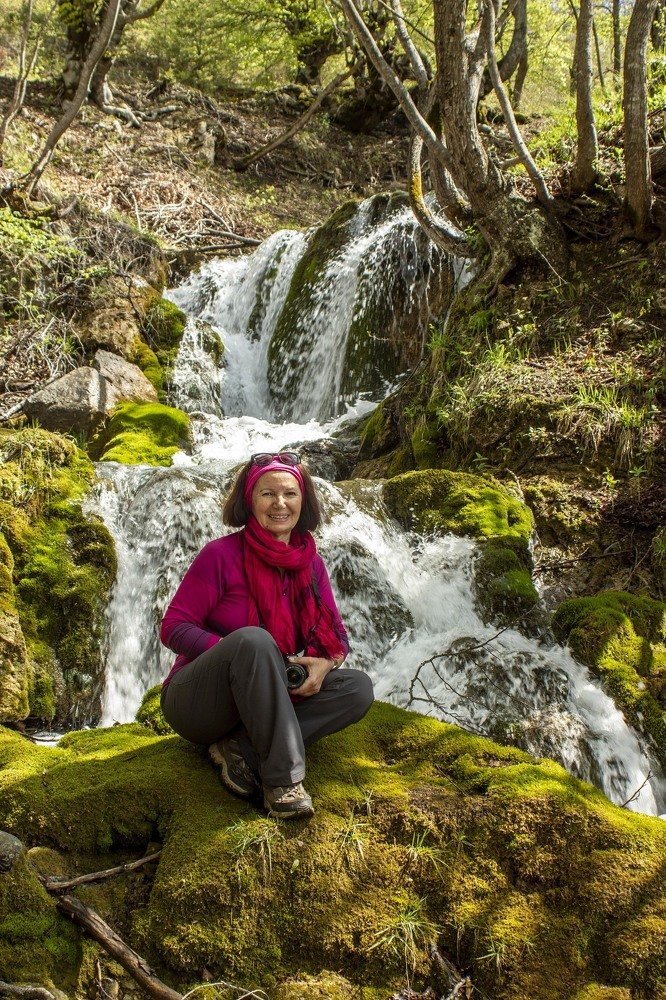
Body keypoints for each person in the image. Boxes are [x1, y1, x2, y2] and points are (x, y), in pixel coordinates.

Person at [160, 451, 374, 819]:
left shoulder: (311, 563)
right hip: (199, 701)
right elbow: (173, 627)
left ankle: (239, 748)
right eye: (267, 494)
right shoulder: (220, 555)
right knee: (255, 641)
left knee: (357, 688)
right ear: (249, 501)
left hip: (269, 693)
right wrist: (239, 655)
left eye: (290, 494)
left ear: (303, 502)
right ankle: (282, 782)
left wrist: (324, 665)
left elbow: (337, 636)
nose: (280, 503)